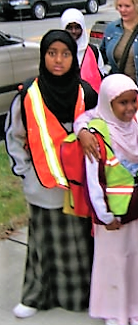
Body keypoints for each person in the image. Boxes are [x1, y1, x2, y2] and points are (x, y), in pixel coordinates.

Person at [5, 29, 98, 318]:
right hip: (43, 185)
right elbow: (15, 136)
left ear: (74, 56)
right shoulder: (29, 94)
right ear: (43, 55)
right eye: (52, 53)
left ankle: (82, 296)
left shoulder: (86, 93)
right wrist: (25, 172)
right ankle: (36, 296)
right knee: (44, 245)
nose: (58, 60)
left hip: (81, 186)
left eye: (66, 54)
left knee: (81, 244)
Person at [84, 74, 138, 325]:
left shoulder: (137, 125)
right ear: (108, 104)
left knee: (137, 259)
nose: (130, 108)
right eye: (123, 103)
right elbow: (94, 180)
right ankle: (114, 311)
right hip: (112, 215)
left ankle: (136, 307)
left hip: (137, 207)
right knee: (113, 262)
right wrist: (104, 216)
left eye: (133, 101)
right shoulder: (96, 135)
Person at [61, 8, 106, 92]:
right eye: (69, 28)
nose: (73, 31)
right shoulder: (59, 53)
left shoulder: (93, 51)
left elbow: (102, 76)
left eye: (77, 27)